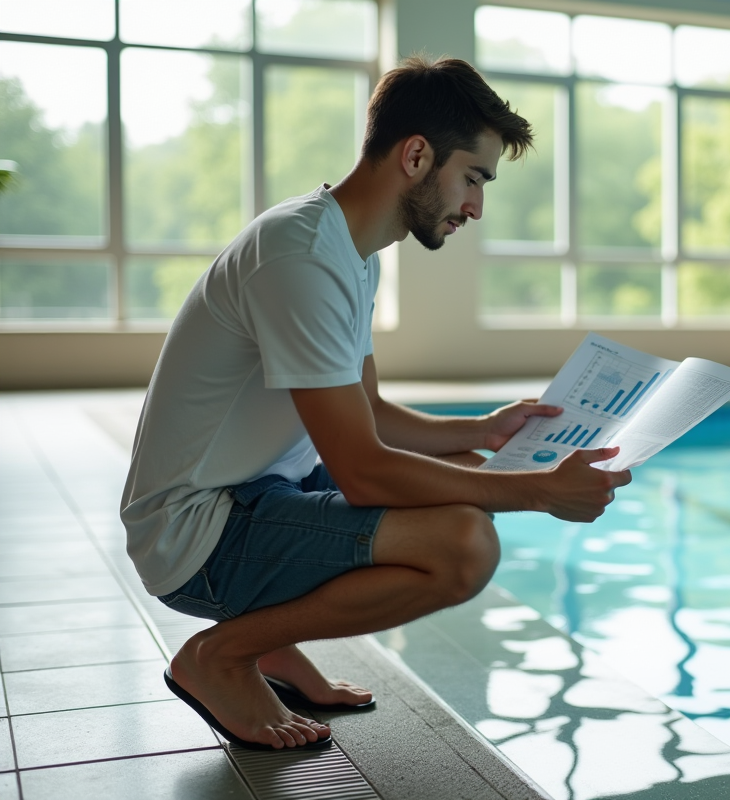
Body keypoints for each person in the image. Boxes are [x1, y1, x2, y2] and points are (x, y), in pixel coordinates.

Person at [120, 55, 632, 752]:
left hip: (258, 493)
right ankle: (224, 652)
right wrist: (538, 490)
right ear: (417, 155)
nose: (476, 206)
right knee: (462, 545)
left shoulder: (350, 251)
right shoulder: (300, 256)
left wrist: (480, 430)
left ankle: (271, 643)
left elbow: (370, 414)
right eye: (474, 178)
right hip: (197, 533)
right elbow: (364, 469)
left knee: (459, 495)